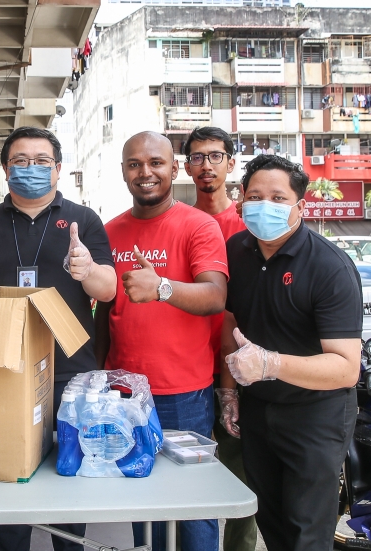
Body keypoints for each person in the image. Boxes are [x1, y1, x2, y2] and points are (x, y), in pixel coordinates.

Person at [0, 126, 116, 551]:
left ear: (57, 169)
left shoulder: (84, 219)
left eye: (41, 162)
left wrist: (87, 269)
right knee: (11, 482)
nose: (30, 169)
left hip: (71, 372)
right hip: (6, 367)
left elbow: (108, 288)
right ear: (4, 169)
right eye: (20, 161)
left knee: (69, 481)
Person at [218, 155, 361, 551]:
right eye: (256, 196)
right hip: (259, 412)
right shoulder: (237, 250)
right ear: (241, 200)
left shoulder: (328, 266)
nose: (265, 206)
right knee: (272, 524)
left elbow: (347, 368)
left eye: (278, 198)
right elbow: (231, 322)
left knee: (306, 533)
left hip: (315, 414)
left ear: (301, 205)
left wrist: (270, 363)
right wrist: (229, 392)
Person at [93, 132, 226, 551]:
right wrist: (97, 377)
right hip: (124, 394)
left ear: (173, 168)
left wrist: (162, 287)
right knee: (142, 507)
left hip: (184, 396)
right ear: (123, 172)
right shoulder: (109, 232)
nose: (145, 172)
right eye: (134, 164)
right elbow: (103, 316)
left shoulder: (198, 225)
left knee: (193, 511)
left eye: (155, 163)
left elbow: (215, 296)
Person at [184, 127, 255, 551]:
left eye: (215, 156)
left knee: (242, 483)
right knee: (192, 487)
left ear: (231, 162)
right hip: (188, 375)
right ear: (186, 166)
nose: (206, 165)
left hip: (242, 371)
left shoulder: (248, 227)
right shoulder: (178, 221)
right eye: (197, 157)